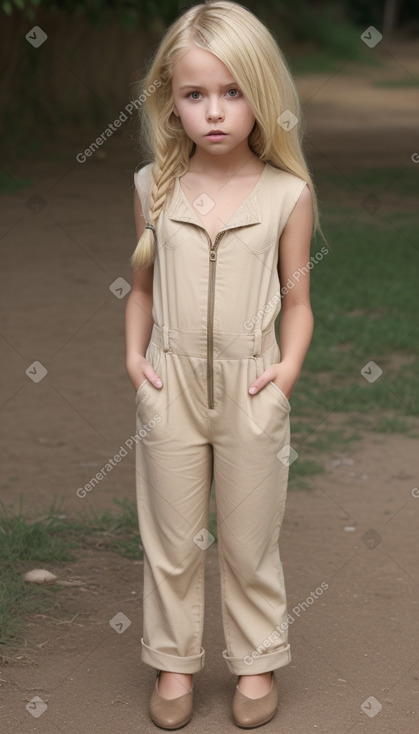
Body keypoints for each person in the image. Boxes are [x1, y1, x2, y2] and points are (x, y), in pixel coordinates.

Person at [125, 1, 325, 728]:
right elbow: (140, 288)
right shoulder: (153, 188)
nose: (214, 111)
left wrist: (286, 374)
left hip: (251, 386)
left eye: (232, 92)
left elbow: (298, 303)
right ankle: (173, 668)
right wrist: (134, 359)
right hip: (169, 386)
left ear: (261, 96)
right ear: (170, 102)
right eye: (194, 93)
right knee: (171, 542)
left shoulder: (286, 194)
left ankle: (256, 663)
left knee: (247, 541)